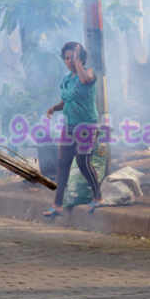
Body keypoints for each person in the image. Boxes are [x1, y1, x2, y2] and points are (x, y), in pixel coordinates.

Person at [42, 41, 102, 216]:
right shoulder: (66, 79)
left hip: (86, 126)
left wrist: (78, 63)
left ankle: (98, 196)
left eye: (73, 57)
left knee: (83, 163)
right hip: (69, 126)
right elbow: (67, 100)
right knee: (63, 164)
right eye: (67, 58)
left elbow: (84, 80)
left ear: (81, 58)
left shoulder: (89, 74)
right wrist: (54, 108)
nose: (69, 61)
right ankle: (57, 205)